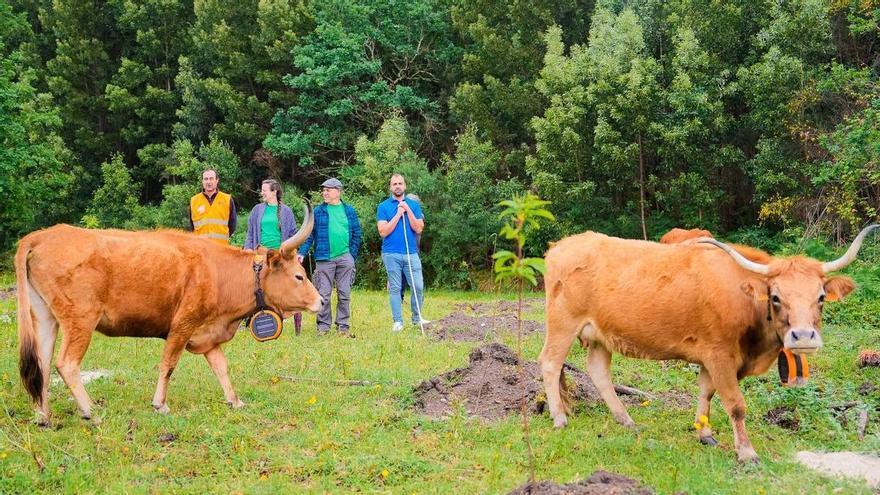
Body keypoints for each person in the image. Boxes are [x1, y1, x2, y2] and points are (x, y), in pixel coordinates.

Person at [297, 178, 362, 336]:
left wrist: (351, 255)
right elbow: (310, 235)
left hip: (345, 258)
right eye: (323, 190)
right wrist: (301, 253)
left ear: (338, 191)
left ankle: (343, 326)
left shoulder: (349, 211)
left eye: (328, 190)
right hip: (324, 258)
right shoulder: (318, 212)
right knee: (323, 294)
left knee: (344, 294)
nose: (324, 193)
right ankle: (323, 327)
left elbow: (357, 234)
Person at [244, 179, 302, 334]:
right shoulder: (257, 210)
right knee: (258, 287)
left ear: (274, 191)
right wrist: (248, 248)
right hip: (261, 253)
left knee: (288, 286)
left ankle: (296, 325)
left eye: (265, 190)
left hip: (280, 256)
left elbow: (293, 234)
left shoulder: (286, 211)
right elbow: (250, 232)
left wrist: (295, 254)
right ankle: (254, 321)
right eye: (262, 190)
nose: (262, 192)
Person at [376, 174, 429, 332]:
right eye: (394, 184)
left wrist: (407, 210)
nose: (397, 186)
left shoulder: (414, 205)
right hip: (391, 253)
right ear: (390, 187)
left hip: (411, 253)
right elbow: (383, 231)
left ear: (404, 186)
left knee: (418, 286)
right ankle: (398, 321)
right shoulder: (383, 207)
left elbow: (418, 228)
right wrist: (398, 214)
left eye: (400, 183)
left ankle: (417, 319)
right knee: (395, 288)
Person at [189, 169, 237, 244]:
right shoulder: (194, 201)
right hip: (200, 247)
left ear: (217, 180)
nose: (208, 182)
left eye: (211, 178)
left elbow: (232, 225)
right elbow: (191, 226)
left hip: (221, 246)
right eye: (206, 179)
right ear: (202, 181)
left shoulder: (227, 199)